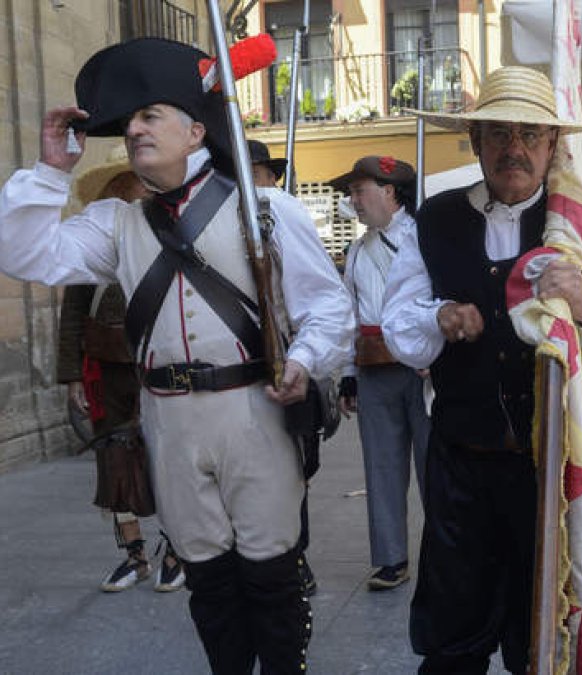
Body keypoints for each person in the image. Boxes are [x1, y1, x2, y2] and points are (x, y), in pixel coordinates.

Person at [0, 38, 354, 672]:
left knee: (271, 573)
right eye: (129, 121)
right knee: (209, 583)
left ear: (195, 130)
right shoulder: (117, 222)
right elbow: (24, 255)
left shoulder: (265, 209)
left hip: (255, 411)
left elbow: (327, 309)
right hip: (168, 420)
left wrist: (304, 360)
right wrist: (52, 170)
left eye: (149, 116)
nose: (133, 129)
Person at [383, 66, 582, 673]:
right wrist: (439, 318)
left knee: (543, 635)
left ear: (554, 145)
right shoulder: (434, 220)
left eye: (531, 135)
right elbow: (399, 327)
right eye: (499, 134)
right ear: (476, 142)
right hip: (460, 461)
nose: (515, 149)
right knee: (454, 635)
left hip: (555, 470)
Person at [56, 146, 186, 593]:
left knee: (165, 455)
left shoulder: (164, 239)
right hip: (102, 367)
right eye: (118, 187)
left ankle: (175, 548)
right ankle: (133, 556)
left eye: (131, 186)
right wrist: (72, 373)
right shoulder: (88, 246)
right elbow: (72, 312)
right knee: (113, 460)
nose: (126, 195)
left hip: (155, 363)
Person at [333, 155, 430, 590]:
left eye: (359, 190)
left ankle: (445, 550)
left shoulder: (425, 238)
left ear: (390, 191)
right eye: (351, 192)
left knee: (435, 466)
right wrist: (349, 375)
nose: (352, 200)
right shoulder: (357, 248)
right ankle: (391, 558)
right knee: (381, 465)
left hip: (423, 367)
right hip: (374, 364)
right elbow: (351, 315)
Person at [248, 139, 321, 597]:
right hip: (244, 368)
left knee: (298, 465)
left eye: (261, 172)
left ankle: (297, 554)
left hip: (291, 357)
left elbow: (314, 300)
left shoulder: (285, 214)